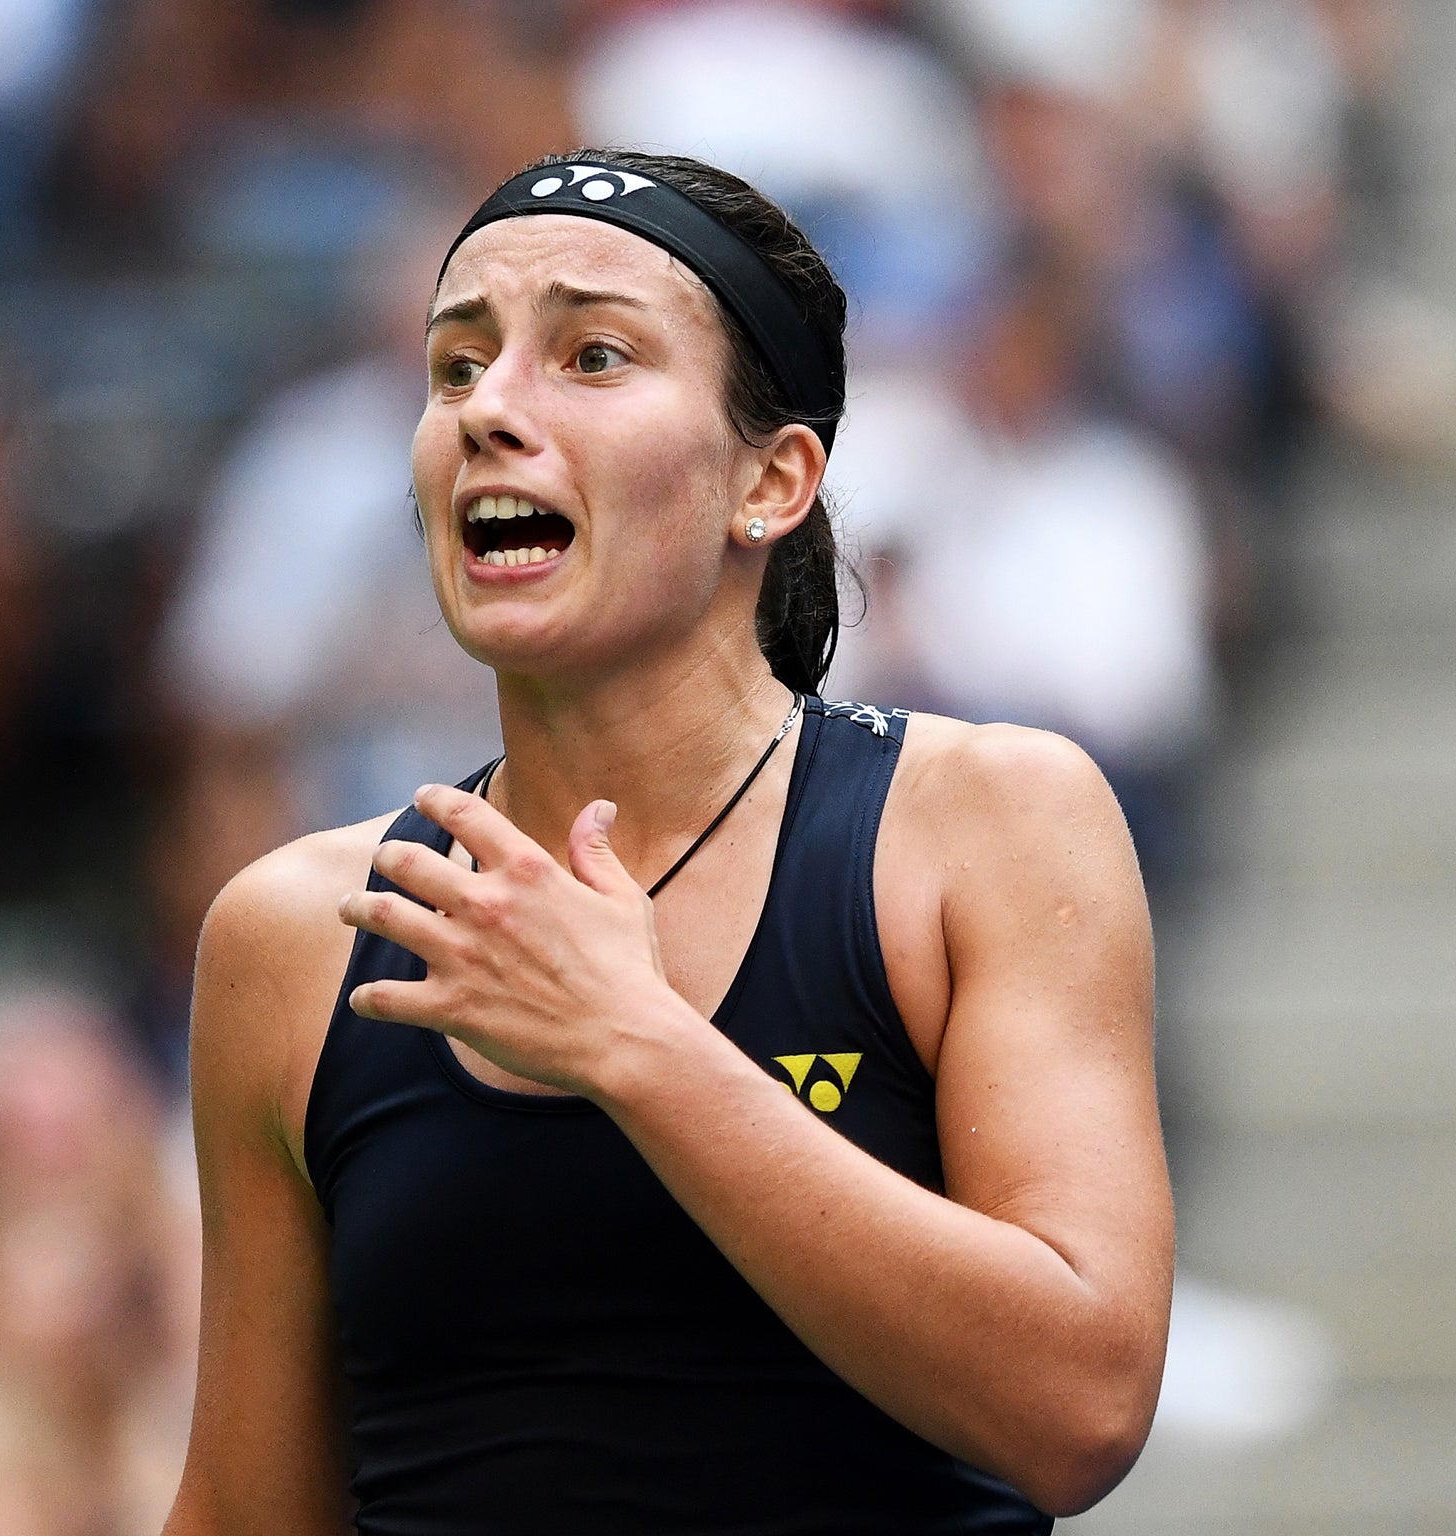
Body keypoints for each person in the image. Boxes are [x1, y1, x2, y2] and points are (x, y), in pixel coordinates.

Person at [163, 151, 1173, 1535]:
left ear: (772, 483)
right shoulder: (297, 934)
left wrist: (640, 1048)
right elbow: (244, 1513)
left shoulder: (985, 820)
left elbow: (1080, 1412)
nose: (489, 412)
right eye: (456, 368)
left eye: (591, 356)